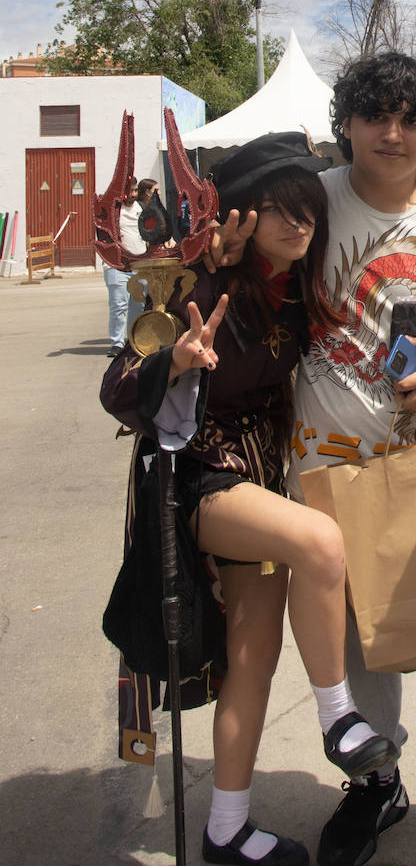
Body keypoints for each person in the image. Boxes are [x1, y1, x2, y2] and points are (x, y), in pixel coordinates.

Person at [215, 54, 416, 866]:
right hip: (333, 463)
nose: (393, 135)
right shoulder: (313, 203)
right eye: (376, 117)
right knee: (358, 633)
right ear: (348, 123)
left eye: (413, 120)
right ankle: (375, 780)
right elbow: (243, 252)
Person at [101, 134, 399, 866]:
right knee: (321, 543)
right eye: (277, 210)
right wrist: (174, 356)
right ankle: (340, 721)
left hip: (263, 478)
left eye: (305, 209)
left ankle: (226, 830)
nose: (297, 224)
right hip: (201, 481)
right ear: (241, 214)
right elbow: (116, 389)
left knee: (252, 664)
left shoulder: (300, 288)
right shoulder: (199, 283)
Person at [102, 175, 146, 355]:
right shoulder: (112, 211)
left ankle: (132, 340)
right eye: (130, 191)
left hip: (140, 265)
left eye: (135, 190)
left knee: (138, 305)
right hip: (117, 266)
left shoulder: (141, 208)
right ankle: (116, 343)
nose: (133, 194)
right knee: (119, 305)